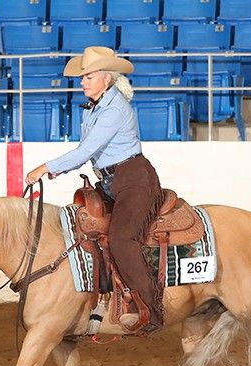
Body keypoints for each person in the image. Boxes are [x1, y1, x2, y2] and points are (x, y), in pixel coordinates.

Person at [25, 46, 164, 333]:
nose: (83, 81)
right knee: (84, 230)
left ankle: (151, 309)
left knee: (122, 237)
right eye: (83, 76)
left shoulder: (115, 109)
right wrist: (59, 167)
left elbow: (87, 149)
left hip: (134, 179)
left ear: (107, 79)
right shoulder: (94, 108)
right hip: (112, 181)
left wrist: (47, 167)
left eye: (88, 76)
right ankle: (103, 298)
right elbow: (87, 151)